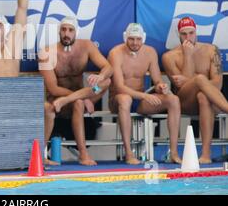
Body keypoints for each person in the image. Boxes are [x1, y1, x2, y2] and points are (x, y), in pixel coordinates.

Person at [38, 17, 113, 166]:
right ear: (59, 32)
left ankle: (79, 98)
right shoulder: (47, 52)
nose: (67, 33)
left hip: (86, 96)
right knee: (78, 102)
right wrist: (80, 98)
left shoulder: (87, 46)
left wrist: (100, 76)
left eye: (70, 30)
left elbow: (108, 68)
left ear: (76, 32)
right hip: (59, 101)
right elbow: (53, 88)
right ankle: (83, 155)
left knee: (106, 81)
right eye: (64, 30)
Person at [108, 23, 182, 165]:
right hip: (117, 100)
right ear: (125, 38)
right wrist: (144, 95)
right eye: (131, 39)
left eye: (138, 39)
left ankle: (173, 153)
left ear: (143, 38)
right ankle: (129, 154)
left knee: (173, 100)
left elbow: (157, 79)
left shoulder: (150, 52)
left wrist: (161, 87)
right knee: (125, 99)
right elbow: (119, 87)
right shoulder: (115, 53)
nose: (135, 43)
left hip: (140, 101)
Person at [162, 16, 228, 164]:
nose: (188, 37)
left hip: (211, 100)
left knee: (203, 96)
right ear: (178, 35)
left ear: (196, 32)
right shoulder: (169, 57)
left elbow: (218, 85)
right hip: (185, 102)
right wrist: (188, 56)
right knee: (200, 79)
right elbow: (181, 87)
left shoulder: (211, 50)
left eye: (191, 33)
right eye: (184, 34)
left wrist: (192, 81)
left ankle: (205, 155)